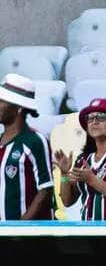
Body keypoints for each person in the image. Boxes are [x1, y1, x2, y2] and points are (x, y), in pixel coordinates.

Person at [54, 98, 106, 221]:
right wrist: (64, 174)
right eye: (90, 118)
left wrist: (93, 180)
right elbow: (67, 201)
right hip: (89, 231)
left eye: (101, 116)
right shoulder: (83, 159)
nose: (94, 121)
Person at [0, 74, 53, 221]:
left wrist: (21, 228)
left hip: (28, 237)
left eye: (2, 101)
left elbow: (45, 190)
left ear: (18, 108)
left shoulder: (35, 141)